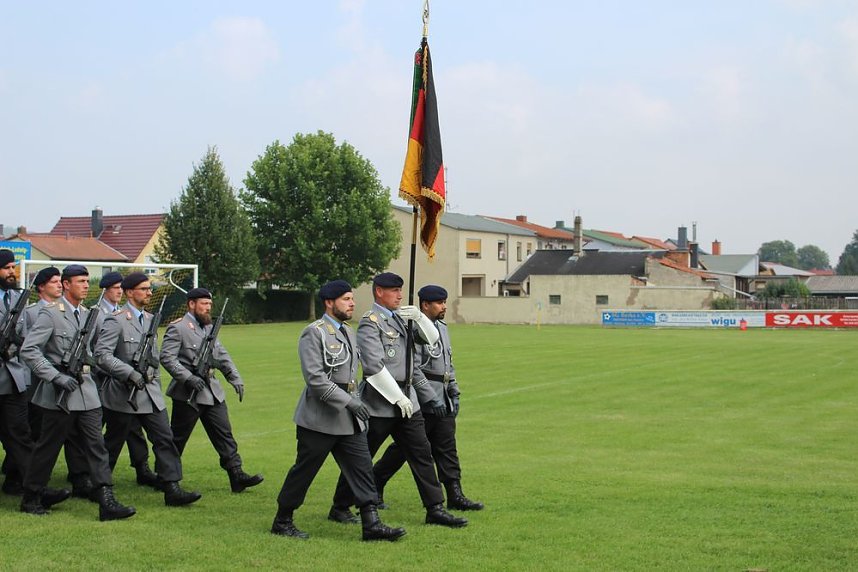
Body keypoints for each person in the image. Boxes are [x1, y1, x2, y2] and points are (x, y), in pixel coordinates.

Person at [330, 272, 467, 528]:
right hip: (380, 404)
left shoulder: (403, 320)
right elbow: (373, 366)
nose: (400, 295)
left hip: (409, 402)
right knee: (363, 457)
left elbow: (432, 339)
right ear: (379, 292)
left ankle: (435, 508)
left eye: (401, 290)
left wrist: (419, 319)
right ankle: (340, 506)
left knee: (422, 454)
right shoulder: (372, 323)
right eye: (394, 291)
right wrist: (396, 397)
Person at [272, 280, 405, 541]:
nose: (352, 303)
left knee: (362, 467)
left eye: (352, 298)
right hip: (319, 419)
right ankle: (282, 520)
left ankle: (371, 524)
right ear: (329, 302)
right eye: (346, 299)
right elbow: (316, 379)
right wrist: (350, 402)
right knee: (304, 471)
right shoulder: (315, 332)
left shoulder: (348, 331)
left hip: (348, 419)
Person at [19, 264, 135, 520]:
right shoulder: (51, 314)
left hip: (87, 391)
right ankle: (32, 496)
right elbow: (29, 350)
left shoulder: (88, 315)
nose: (85, 285)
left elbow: (97, 352)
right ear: (66, 285)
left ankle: (106, 500)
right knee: (47, 448)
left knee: (96, 446)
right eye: (80, 281)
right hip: (58, 394)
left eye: (86, 281)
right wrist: (54, 376)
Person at [373, 285, 483, 511]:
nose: (444, 307)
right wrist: (431, 397)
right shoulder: (415, 329)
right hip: (423, 400)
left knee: (446, 446)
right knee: (405, 450)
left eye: (444, 302)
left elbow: (447, 363)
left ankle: (455, 494)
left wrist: (453, 389)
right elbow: (414, 367)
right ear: (425, 305)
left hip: (443, 397)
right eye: (439, 303)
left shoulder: (441, 328)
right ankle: (376, 481)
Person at [94, 272, 201, 507]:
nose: (149, 292)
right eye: (144, 289)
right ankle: (100, 487)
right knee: (112, 444)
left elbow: (153, 355)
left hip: (149, 393)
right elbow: (102, 355)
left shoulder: (151, 319)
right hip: (122, 394)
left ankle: (172, 487)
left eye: (149, 288)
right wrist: (129, 373)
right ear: (130, 292)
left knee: (165, 439)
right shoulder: (116, 319)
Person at [160, 287, 263, 493]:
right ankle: (166, 478)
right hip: (187, 393)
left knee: (224, 434)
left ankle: (236, 474)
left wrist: (234, 378)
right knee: (178, 439)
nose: (208, 308)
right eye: (204, 304)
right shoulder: (178, 328)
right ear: (191, 304)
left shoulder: (209, 328)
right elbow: (167, 358)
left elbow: (221, 354)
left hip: (211, 391)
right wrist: (188, 378)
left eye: (209, 304)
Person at [94, 271, 157, 490]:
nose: (118, 291)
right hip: (107, 381)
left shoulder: (142, 317)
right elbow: (97, 350)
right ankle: (94, 478)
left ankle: (143, 468)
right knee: (112, 434)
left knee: (134, 430)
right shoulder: (99, 313)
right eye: (115, 288)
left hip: (134, 384)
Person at [0, 249, 36, 496]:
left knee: (21, 435)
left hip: (13, 378)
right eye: (7, 268)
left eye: (13, 267)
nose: (12, 272)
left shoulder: (17, 299)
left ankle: (34, 488)